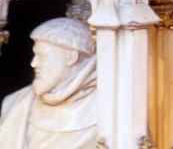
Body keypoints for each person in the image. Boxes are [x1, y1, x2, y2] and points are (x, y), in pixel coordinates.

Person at [0, 17, 99, 148]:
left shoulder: (108, 107)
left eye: (42, 56)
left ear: (71, 57)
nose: (34, 64)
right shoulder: (15, 102)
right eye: (34, 55)